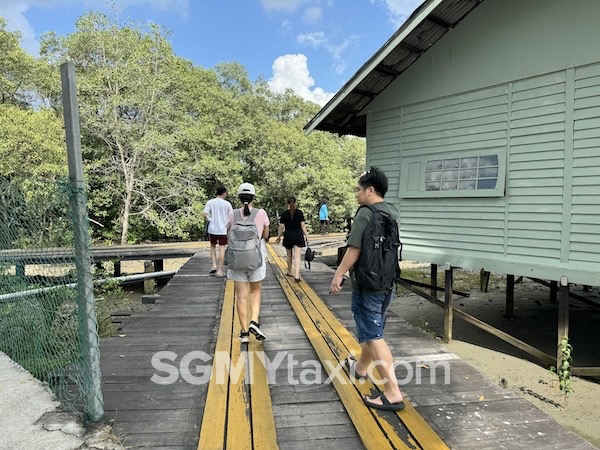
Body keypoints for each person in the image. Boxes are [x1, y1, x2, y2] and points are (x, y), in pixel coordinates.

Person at [329, 167, 404, 411]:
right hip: (386, 282)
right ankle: (360, 368)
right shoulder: (392, 212)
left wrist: (338, 274)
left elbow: (354, 249)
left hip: (367, 286)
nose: (356, 194)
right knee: (372, 330)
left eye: (359, 190)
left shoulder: (365, 213)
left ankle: (393, 393)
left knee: (373, 336)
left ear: (370, 190)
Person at [227, 182, 270, 343]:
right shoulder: (261, 213)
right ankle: (254, 321)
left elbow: (228, 232)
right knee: (256, 291)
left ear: (239, 198)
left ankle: (244, 333)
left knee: (241, 296)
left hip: (237, 259)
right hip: (256, 258)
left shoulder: (233, 214)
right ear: (253, 197)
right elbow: (265, 235)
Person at [275, 196, 309, 282]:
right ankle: (297, 275)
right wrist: (307, 236)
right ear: (295, 203)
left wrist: (278, 237)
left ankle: (289, 271)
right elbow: (303, 225)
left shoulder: (284, 214)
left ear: (287, 204)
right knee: (297, 256)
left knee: (289, 255)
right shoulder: (299, 213)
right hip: (298, 235)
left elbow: (281, 227)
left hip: (288, 236)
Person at [203, 185, 233, 278]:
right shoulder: (227, 204)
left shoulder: (210, 202)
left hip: (212, 228)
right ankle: (219, 271)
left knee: (212, 246)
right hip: (223, 229)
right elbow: (231, 216)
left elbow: (204, 214)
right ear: (224, 193)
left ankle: (214, 265)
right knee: (222, 248)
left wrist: (210, 219)